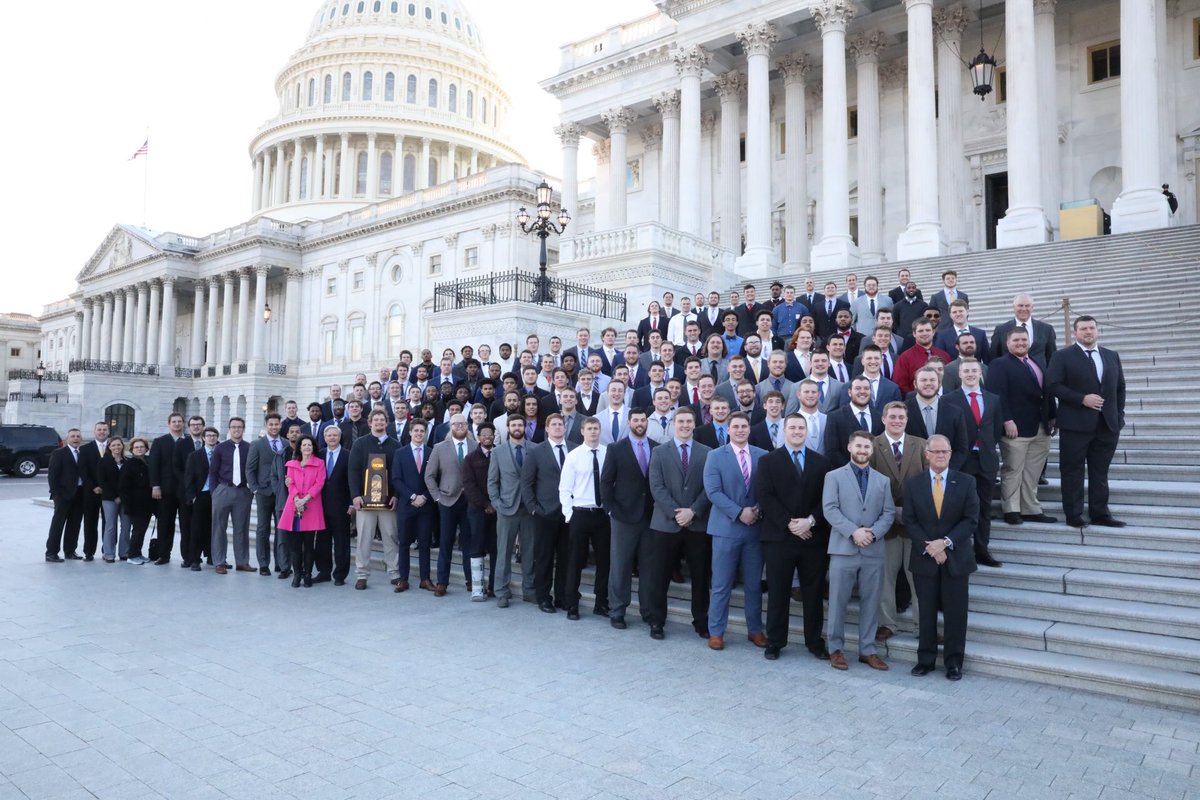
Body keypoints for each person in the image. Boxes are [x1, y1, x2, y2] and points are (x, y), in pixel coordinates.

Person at [755, 414, 832, 661]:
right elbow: (765, 496)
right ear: (784, 431)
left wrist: (810, 521)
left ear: (806, 431)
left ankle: (814, 641)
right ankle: (775, 641)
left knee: (813, 593)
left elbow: (828, 499)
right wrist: (789, 523)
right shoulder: (768, 460)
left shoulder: (821, 462)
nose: (797, 431)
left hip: (812, 537)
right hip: (780, 537)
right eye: (793, 428)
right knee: (778, 592)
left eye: (801, 428)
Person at [905, 435, 980, 681]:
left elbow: (970, 520)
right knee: (926, 612)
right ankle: (925, 660)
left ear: (950, 454)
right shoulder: (914, 484)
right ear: (926, 454)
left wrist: (945, 543)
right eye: (935, 451)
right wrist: (931, 548)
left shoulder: (966, 482)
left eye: (944, 451)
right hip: (925, 558)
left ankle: (954, 662)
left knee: (956, 614)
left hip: (956, 559)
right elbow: (910, 520)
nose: (940, 455)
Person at [821, 431, 895, 671]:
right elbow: (830, 509)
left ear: (872, 451)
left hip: (873, 550)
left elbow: (888, 513)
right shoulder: (833, 476)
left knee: (871, 602)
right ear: (850, 447)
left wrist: (872, 533)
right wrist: (854, 532)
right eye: (859, 446)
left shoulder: (882, 480)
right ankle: (835, 649)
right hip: (844, 549)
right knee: (838, 602)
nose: (863, 450)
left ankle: (868, 650)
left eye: (867, 447)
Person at [1046, 315, 1126, 528]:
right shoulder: (1062, 356)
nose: (1088, 332)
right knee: (1072, 471)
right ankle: (1073, 514)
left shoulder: (1111, 355)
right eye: (1083, 329)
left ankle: (1100, 513)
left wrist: (1119, 416)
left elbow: (1120, 387)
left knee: (1100, 472)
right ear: (1075, 333)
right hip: (1075, 425)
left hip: (1107, 425)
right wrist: (1081, 399)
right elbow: (1053, 385)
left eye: (1091, 328)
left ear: (1097, 330)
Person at [701, 413, 768, 651]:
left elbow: (768, 489)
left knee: (754, 584)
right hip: (725, 529)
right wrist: (739, 512)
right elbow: (713, 491)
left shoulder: (763, 455)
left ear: (749, 429)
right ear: (728, 430)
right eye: (736, 426)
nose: (740, 430)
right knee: (721, 584)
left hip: (754, 530)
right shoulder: (715, 456)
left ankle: (755, 630)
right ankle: (716, 632)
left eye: (744, 426)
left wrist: (756, 510)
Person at [645, 407, 712, 640]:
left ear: (694, 424)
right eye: (680, 421)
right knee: (659, 576)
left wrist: (693, 511)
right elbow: (656, 487)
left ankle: (701, 621)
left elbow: (709, 487)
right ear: (673, 424)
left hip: (697, 524)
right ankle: (656, 620)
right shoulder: (659, 452)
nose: (684, 425)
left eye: (688, 422)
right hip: (666, 524)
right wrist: (677, 514)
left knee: (700, 577)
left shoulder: (707, 452)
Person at [988, 327, 1057, 526]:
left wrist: (1053, 415)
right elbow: (997, 395)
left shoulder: (1037, 362)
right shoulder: (999, 364)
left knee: (1032, 471)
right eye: (1016, 340)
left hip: (1041, 426)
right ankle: (1011, 509)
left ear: (1030, 342)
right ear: (1008, 343)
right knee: (1013, 470)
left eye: (1024, 340)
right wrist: (1006, 420)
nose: (1020, 343)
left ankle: (1030, 509)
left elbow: (1047, 392)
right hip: (1015, 428)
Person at [869, 402, 926, 640]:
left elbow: (928, 483)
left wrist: (909, 511)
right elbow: (868, 485)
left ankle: (922, 626)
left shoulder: (921, 445)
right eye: (892, 417)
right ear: (883, 419)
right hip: (885, 526)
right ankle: (887, 624)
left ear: (906, 420)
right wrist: (892, 511)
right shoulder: (872, 445)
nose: (897, 421)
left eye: (901, 417)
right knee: (885, 579)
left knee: (919, 580)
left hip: (916, 525)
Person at [944, 358, 1004, 567]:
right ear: (960, 374)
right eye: (966, 371)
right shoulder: (948, 399)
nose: (970, 374)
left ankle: (982, 550)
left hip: (986, 460)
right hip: (961, 462)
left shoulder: (993, 399)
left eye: (974, 370)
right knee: (957, 509)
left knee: (984, 509)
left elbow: (996, 429)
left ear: (980, 373)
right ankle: (957, 551)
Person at [600, 408, 656, 630]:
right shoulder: (616, 448)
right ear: (629, 422)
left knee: (649, 567)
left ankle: (648, 611)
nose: (640, 423)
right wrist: (610, 509)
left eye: (643, 420)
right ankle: (617, 610)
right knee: (620, 565)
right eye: (636, 420)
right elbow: (606, 481)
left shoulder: (657, 447)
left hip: (651, 517)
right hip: (623, 516)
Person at [558, 417, 611, 620]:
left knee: (604, 561)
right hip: (580, 514)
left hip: (602, 515)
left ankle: (601, 602)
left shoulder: (608, 453)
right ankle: (572, 603)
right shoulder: (574, 456)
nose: (593, 432)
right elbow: (565, 488)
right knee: (575, 561)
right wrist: (569, 515)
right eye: (589, 428)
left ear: (600, 430)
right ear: (582, 431)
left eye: (596, 428)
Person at [521, 414, 575, 612]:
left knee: (566, 558)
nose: (558, 427)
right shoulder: (536, 451)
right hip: (544, 513)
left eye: (561, 424)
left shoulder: (575, 449)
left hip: (570, 513)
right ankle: (543, 597)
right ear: (547, 428)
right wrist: (533, 508)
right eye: (554, 424)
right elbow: (526, 483)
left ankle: (562, 597)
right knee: (544, 558)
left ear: (565, 427)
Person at [425, 413, 478, 595]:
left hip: (470, 501)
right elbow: (429, 476)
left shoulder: (476, 446)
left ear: (467, 426)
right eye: (456, 424)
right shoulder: (440, 447)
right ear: (451, 427)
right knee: (446, 542)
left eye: (462, 423)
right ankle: (442, 582)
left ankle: (471, 581)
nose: (459, 426)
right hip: (447, 501)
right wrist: (437, 497)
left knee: (469, 543)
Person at [487, 417, 536, 607]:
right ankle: (501, 591)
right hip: (507, 508)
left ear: (525, 428)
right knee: (504, 552)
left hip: (529, 509)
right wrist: (497, 503)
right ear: (508, 428)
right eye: (514, 425)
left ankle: (529, 590)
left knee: (529, 552)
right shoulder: (498, 452)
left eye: (520, 425)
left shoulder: (535, 449)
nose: (517, 428)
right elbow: (492, 481)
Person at [349, 410, 400, 590]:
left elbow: (399, 472)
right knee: (364, 538)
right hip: (365, 502)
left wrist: (396, 495)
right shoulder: (360, 443)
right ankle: (362, 574)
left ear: (387, 423)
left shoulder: (395, 445)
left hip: (388, 502)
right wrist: (355, 495)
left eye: (382, 420)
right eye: (375, 420)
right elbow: (353, 471)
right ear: (370, 423)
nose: (378, 422)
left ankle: (394, 572)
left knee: (391, 537)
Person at [391, 417, 436, 592]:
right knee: (404, 543)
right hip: (406, 506)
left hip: (426, 505)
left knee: (424, 544)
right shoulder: (400, 453)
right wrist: (412, 496)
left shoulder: (432, 452)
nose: (419, 433)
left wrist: (424, 496)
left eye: (422, 431)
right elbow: (396, 479)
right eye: (416, 430)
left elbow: (436, 478)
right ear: (410, 432)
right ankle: (403, 579)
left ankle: (425, 579)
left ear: (425, 434)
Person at [277, 434, 325, 588]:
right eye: (304, 445)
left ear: (313, 447)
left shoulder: (319, 463)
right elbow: (290, 483)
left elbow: (319, 483)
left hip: (311, 506)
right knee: (295, 545)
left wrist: (305, 499)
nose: (307, 447)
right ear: (299, 448)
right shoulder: (292, 464)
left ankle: (308, 575)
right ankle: (297, 574)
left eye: (309, 445)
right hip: (294, 506)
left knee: (309, 545)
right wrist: (297, 498)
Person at [209, 417, 254, 574]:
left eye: (239, 427)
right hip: (223, 490)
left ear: (243, 429)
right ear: (229, 429)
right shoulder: (220, 448)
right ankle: (219, 561)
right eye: (233, 427)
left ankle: (242, 561)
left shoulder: (249, 447)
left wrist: (250, 490)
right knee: (219, 528)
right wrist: (214, 491)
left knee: (241, 528)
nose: (236, 429)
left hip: (242, 491)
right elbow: (213, 471)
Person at [461, 421, 499, 601]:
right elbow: (469, 486)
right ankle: (477, 587)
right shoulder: (470, 458)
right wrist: (485, 504)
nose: (487, 437)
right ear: (478, 437)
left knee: (496, 548)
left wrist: (496, 503)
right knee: (476, 546)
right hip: (477, 509)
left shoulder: (500, 454)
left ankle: (494, 587)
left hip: (498, 509)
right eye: (484, 435)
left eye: (490, 434)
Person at [905, 366, 970, 470]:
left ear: (939, 384)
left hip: (947, 473)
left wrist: (945, 471)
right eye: (923, 380)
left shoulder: (955, 412)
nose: (928, 383)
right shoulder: (903, 412)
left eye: (932, 380)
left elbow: (961, 449)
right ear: (915, 384)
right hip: (912, 473)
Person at [247, 412, 287, 577]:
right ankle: (263, 564)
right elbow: (250, 468)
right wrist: (255, 488)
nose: (274, 427)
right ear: (266, 425)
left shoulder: (286, 443)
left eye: (276, 424)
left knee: (281, 528)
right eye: (271, 424)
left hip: (282, 493)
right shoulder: (257, 444)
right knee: (263, 529)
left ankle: (281, 563)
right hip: (263, 492)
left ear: (280, 425)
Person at [315, 425, 354, 585]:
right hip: (320, 506)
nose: (332, 438)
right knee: (322, 542)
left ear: (340, 437)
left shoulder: (348, 455)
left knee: (341, 542)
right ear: (324, 438)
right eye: (329, 435)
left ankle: (340, 575)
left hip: (341, 506)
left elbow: (353, 480)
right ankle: (323, 572)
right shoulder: (319, 455)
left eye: (335, 435)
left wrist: (352, 503)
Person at [148, 413, 186, 565]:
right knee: (165, 524)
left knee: (186, 525)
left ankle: (187, 557)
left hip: (184, 490)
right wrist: (155, 486)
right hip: (165, 490)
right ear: (169, 424)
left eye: (179, 421)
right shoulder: (160, 442)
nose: (177, 424)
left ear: (183, 423)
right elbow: (153, 465)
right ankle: (163, 555)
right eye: (174, 421)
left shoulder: (188, 441)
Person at [181, 427, 220, 571]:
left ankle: (213, 556)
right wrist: (192, 496)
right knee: (197, 528)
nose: (211, 438)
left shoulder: (221, 454)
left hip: (217, 495)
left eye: (214, 435)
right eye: (208, 435)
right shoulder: (195, 455)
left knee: (215, 528)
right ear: (203, 438)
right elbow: (189, 477)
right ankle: (195, 559)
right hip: (201, 495)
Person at [990, 293, 1057, 365]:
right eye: (1020, 305)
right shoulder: (1001, 330)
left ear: (1032, 307)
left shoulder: (1046, 329)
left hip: (1039, 371)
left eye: (1027, 306)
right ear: (1014, 307)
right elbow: (994, 357)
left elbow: (1052, 357)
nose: (1024, 309)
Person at [77, 421, 110, 561]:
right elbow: (83, 471)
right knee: (90, 523)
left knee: (109, 524)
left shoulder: (114, 446)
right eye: (99, 429)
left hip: (109, 493)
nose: (102, 432)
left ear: (108, 431)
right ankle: (89, 552)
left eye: (104, 429)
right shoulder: (85, 449)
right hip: (91, 493)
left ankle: (108, 551)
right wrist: (93, 487)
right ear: (94, 431)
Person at [118, 438, 153, 565]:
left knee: (142, 529)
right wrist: (127, 503)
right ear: (132, 450)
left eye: (142, 447)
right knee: (138, 529)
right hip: (135, 502)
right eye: (136, 447)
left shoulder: (149, 461)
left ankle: (137, 553)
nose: (139, 449)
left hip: (148, 502)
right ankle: (132, 555)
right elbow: (123, 486)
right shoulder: (129, 464)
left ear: (146, 449)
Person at [98, 437, 131, 563]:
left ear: (122, 446)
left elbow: (130, 481)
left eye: (118, 445)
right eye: (113, 445)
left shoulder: (127, 461)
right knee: (110, 526)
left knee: (126, 526)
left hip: (125, 498)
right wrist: (115, 496)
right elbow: (102, 481)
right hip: (109, 498)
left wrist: (122, 496)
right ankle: (109, 553)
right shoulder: (103, 461)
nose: (116, 447)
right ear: (109, 447)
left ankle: (124, 552)